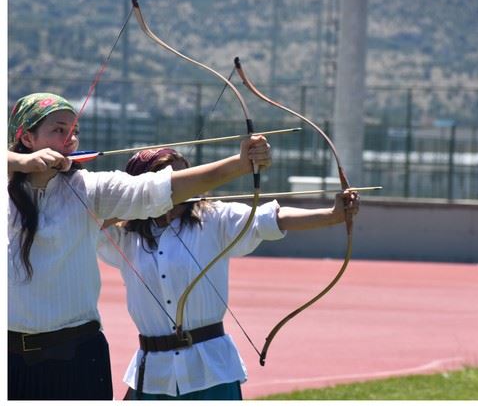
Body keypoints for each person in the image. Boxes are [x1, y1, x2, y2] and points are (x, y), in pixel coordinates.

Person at [7, 92, 270, 400]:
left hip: (76, 357)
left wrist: (239, 165)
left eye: (75, 132)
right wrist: (20, 162)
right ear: (26, 136)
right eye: (59, 130)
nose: (70, 140)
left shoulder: (91, 189)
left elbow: (160, 190)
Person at [96, 148, 360, 400]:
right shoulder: (124, 235)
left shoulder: (213, 218)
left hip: (211, 369)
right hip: (154, 374)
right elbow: (86, 217)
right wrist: (137, 203)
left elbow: (271, 218)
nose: (180, 189)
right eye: (171, 183)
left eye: (185, 180)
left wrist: (332, 215)